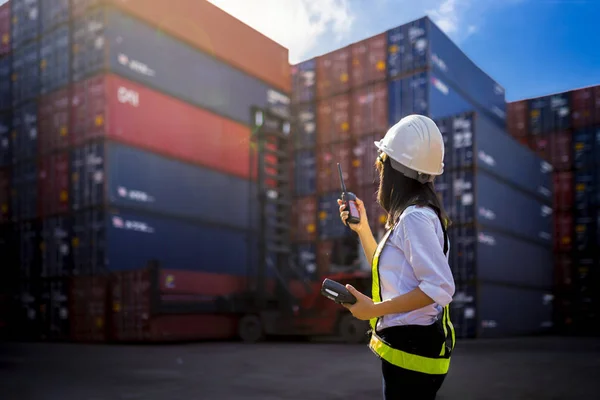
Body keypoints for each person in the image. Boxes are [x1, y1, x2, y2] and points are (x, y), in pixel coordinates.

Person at [337, 114, 456, 400]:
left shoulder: (415, 218)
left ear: (393, 169)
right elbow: (392, 273)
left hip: (412, 356)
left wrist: (372, 310)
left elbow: (439, 288)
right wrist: (362, 228)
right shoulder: (414, 216)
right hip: (408, 352)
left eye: (382, 161)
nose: (379, 168)